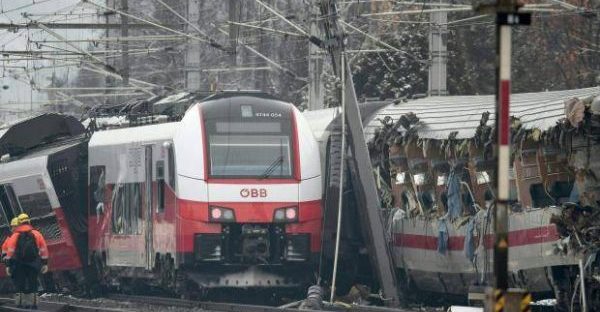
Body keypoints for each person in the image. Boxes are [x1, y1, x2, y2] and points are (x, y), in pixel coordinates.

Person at [2, 213, 49, 309]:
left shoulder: (15, 236)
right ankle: (34, 304)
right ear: (29, 221)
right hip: (34, 262)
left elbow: (10, 251)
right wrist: (45, 263)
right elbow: (44, 248)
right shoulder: (36, 233)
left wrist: (8, 265)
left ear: (19, 223)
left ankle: (20, 305)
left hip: (19, 264)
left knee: (20, 283)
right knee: (33, 283)